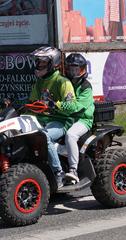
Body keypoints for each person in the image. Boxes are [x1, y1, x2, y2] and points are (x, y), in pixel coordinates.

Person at [29, 46, 76, 188]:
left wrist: (55, 105)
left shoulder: (63, 82)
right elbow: (32, 103)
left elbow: (72, 107)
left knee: (44, 137)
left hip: (60, 121)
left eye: (42, 62)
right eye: (37, 61)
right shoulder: (39, 82)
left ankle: (59, 173)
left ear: (52, 63)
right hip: (41, 120)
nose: (39, 65)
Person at [61, 53, 95, 184]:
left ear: (83, 70)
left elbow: (78, 107)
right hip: (65, 117)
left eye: (77, 69)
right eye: (71, 69)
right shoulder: (64, 83)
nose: (74, 72)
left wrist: (61, 105)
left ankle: (73, 169)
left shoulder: (86, 86)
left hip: (83, 120)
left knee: (70, 135)